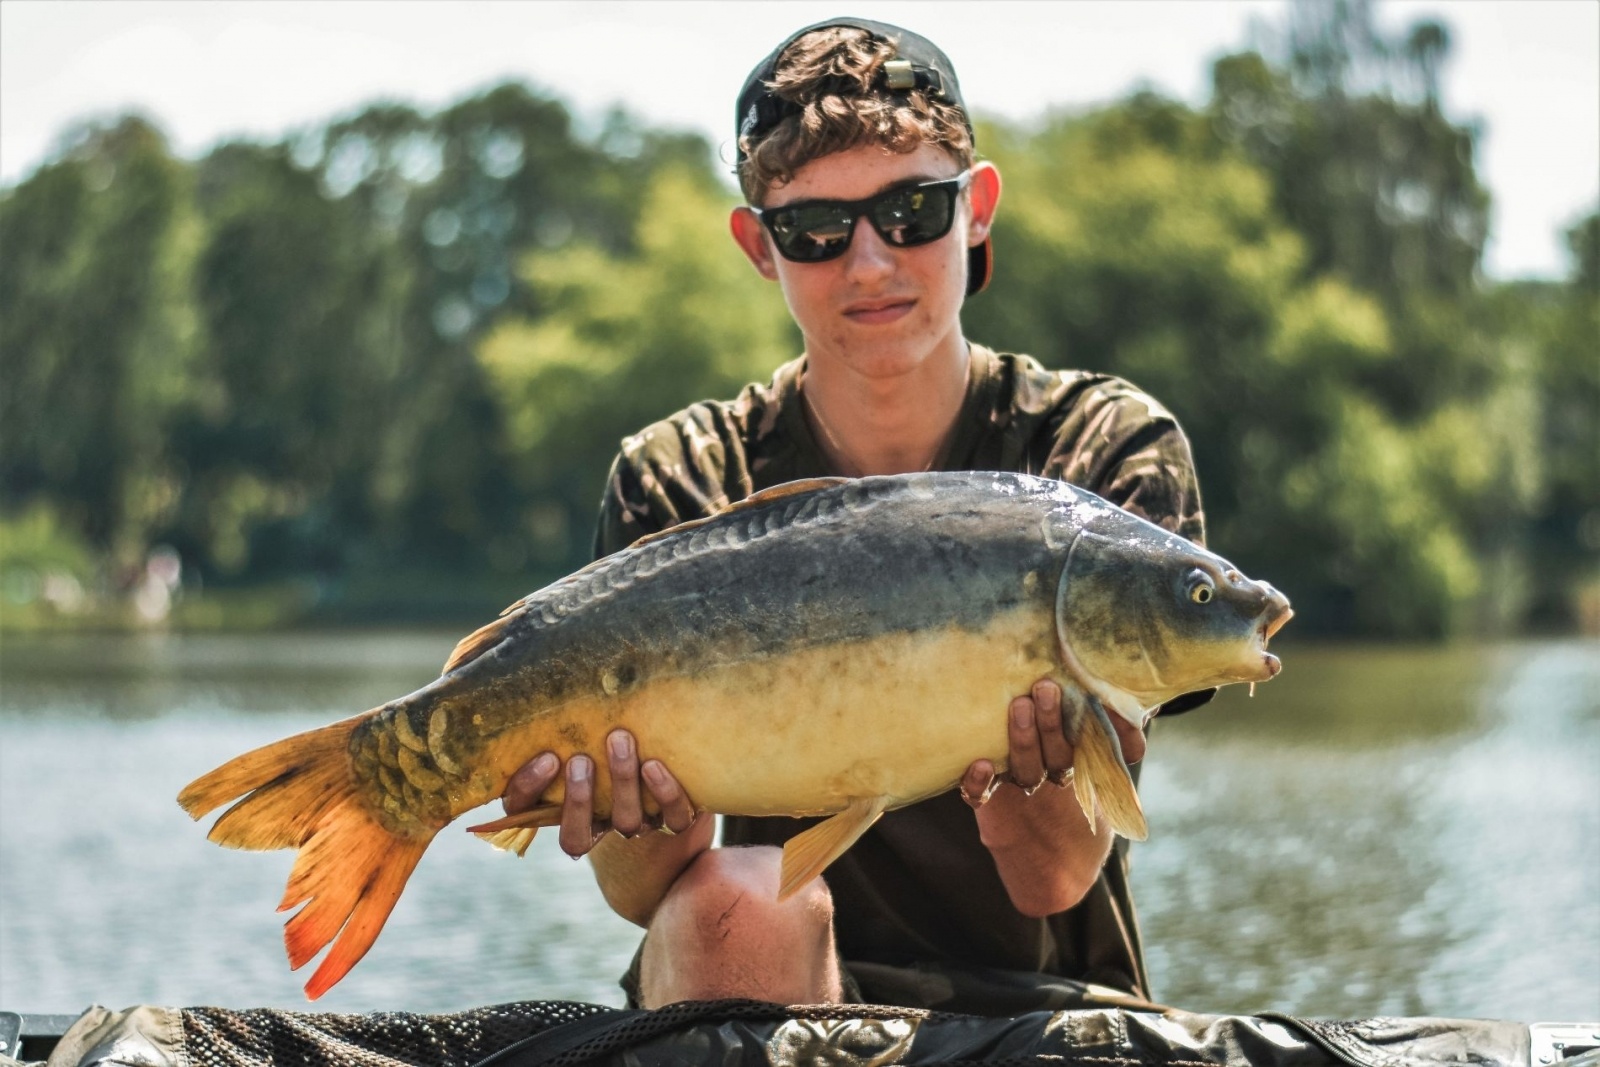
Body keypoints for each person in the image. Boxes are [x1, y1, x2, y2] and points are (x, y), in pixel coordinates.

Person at [500, 18, 1210, 1013]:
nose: (870, 264)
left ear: (977, 210)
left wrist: (1027, 771)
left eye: (911, 212)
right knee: (729, 903)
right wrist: (627, 814)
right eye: (818, 232)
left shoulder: (1094, 463)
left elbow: (1053, 880)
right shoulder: (684, 478)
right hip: (759, 978)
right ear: (759, 245)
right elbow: (643, 893)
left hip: (1045, 1000)